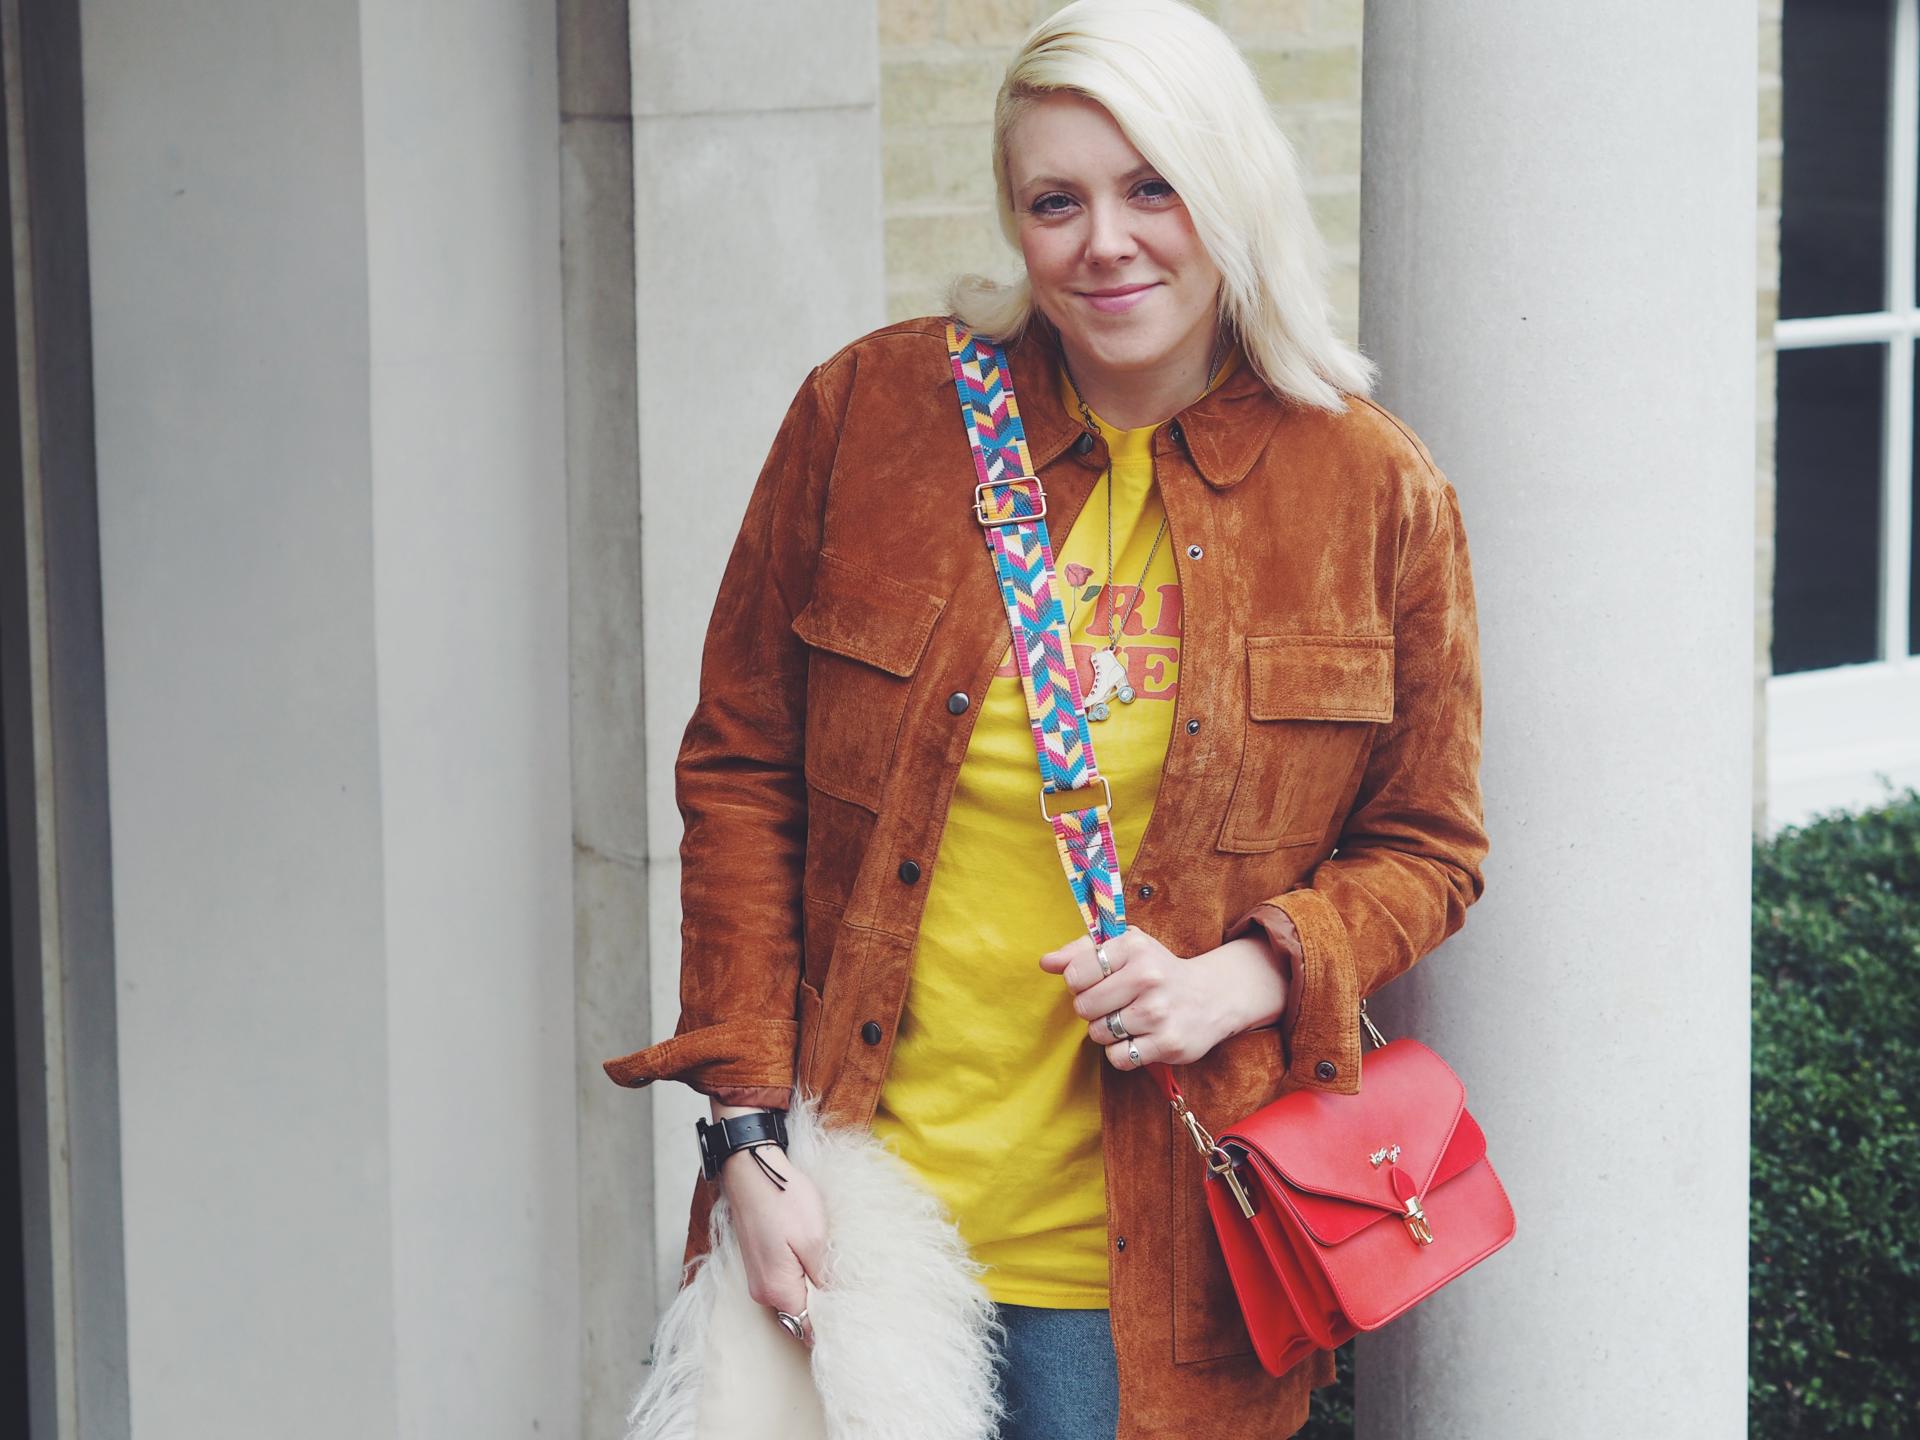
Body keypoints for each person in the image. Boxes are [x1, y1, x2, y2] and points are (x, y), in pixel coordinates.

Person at [602, 2, 1488, 1436]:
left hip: (1156, 1275)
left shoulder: (1370, 494)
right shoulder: (873, 416)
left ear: (1233, 190)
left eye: (1154, 188)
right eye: (1055, 201)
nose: (1105, 242)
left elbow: (1428, 844)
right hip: (854, 1219)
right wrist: (747, 1139)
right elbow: (743, 775)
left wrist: (1247, 976)